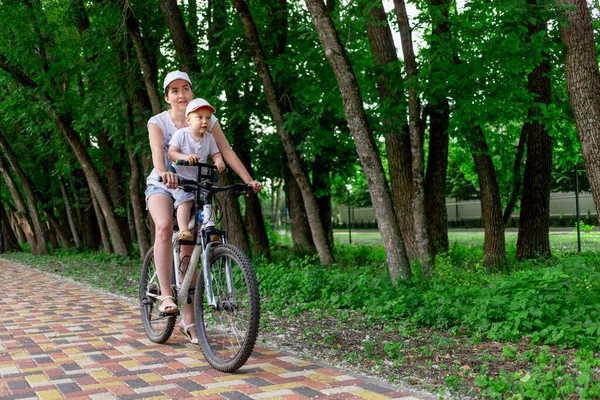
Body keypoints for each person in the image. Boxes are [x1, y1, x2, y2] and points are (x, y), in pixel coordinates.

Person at [144, 70, 262, 344]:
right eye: (174, 90)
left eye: (185, 88)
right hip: (165, 183)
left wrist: (249, 180)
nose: (181, 94)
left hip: (195, 187)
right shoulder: (158, 121)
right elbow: (157, 155)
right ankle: (165, 295)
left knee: (190, 248)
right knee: (163, 226)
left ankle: (188, 320)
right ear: (167, 97)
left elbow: (226, 151)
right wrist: (165, 172)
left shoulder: (206, 118)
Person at [168, 98, 226, 242]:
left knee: (209, 202)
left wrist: (218, 161)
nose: (205, 121)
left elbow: (216, 153)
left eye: (208, 118)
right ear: (188, 120)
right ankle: (183, 229)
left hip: (201, 178)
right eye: (199, 117)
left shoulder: (209, 138)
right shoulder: (181, 134)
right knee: (185, 202)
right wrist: (186, 157)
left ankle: (211, 229)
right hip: (182, 177)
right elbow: (171, 153)